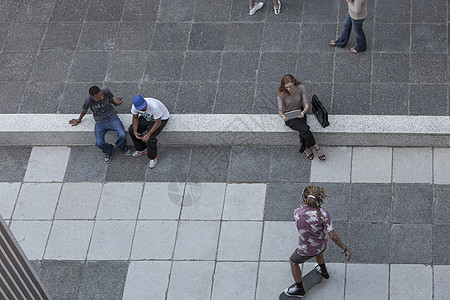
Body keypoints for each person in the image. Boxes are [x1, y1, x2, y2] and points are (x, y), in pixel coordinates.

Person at [284, 185, 351, 298]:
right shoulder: (324, 214)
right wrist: (345, 249)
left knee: (293, 262)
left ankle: (300, 289)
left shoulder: (297, 213)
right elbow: (332, 235)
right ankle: (323, 271)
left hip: (306, 249)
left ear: (303, 199)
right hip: (321, 245)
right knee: (319, 253)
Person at [69, 86, 131, 163]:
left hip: (112, 116)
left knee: (122, 134)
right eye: (98, 97)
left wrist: (116, 104)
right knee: (99, 143)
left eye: (101, 95)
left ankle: (121, 145)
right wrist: (78, 120)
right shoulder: (88, 101)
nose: (101, 97)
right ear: (92, 97)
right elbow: (84, 110)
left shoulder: (106, 92)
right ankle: (109, 150)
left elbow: (110, 100)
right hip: (100, 121)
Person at [277, 74, 326, 160]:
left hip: (299, 112)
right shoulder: (281, 94)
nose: (289, 89)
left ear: (293, 82)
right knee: (305, 129)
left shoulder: (301, 87)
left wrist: (303, 112)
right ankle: (316, 146)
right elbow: (280, 111)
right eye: (286, 87)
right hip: (289, 116)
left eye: (290, 86)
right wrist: (283, 116)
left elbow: (307, 104)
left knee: (303, 131)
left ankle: (305, 148)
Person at [128, 95, 170, 169]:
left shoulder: (154, 107)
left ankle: (153, 157)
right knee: (131, 130)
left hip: (160, 119)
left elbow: (158, 123)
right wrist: (135, 131)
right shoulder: (134, 107)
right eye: (141, 108)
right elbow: (135, 118)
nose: (143, 109)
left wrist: (148, 134)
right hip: (147, 118)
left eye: (144, 106)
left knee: (150, 138)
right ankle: (141, 149)